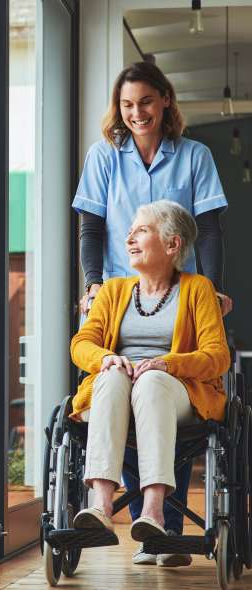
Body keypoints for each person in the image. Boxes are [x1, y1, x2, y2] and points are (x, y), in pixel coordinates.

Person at [72, 61, 232, 566]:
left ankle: (162, 521)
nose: (136, 112)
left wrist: (210, 288)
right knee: (116, 383)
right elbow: (91, 227)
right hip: (124, 291)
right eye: (126, 104)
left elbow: (208, 228)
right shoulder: (105, 156)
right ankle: (126, 512)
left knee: (159, 384)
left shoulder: (194, 156)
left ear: (164, 101)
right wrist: (95, 286)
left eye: (145, 101)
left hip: (178, 290)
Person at [70, 201, 230, 552]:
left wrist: (167, 364)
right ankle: (100, 506)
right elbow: (81, 344)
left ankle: (154, 512)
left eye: (140, 230)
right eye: (129, 231)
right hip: (117, 391)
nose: (129, 238)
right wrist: (108, 357)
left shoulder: (198, 288)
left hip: (176, 392)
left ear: (173, 244)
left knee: (151, 381)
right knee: (110, 376)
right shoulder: (112, 291)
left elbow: (218, 356)